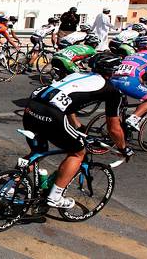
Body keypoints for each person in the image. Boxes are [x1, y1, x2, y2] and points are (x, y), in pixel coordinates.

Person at [23, 52, 130, 208]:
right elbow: (113, 128)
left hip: (31, 107)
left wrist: (77, 124)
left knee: (38, 151)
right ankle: (55, 196)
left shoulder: (78, 75)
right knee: (78, 152)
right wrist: (123, 148)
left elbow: (69, 101)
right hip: (51, 113)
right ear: (113, 71)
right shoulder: (112, 91)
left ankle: (11, 186)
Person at [110, 36, 147, 130]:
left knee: (121, 106)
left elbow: (135, 72)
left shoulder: (131, 55)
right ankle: (134, 119)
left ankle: (124, 127)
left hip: (113, 80)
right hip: (128, 82)